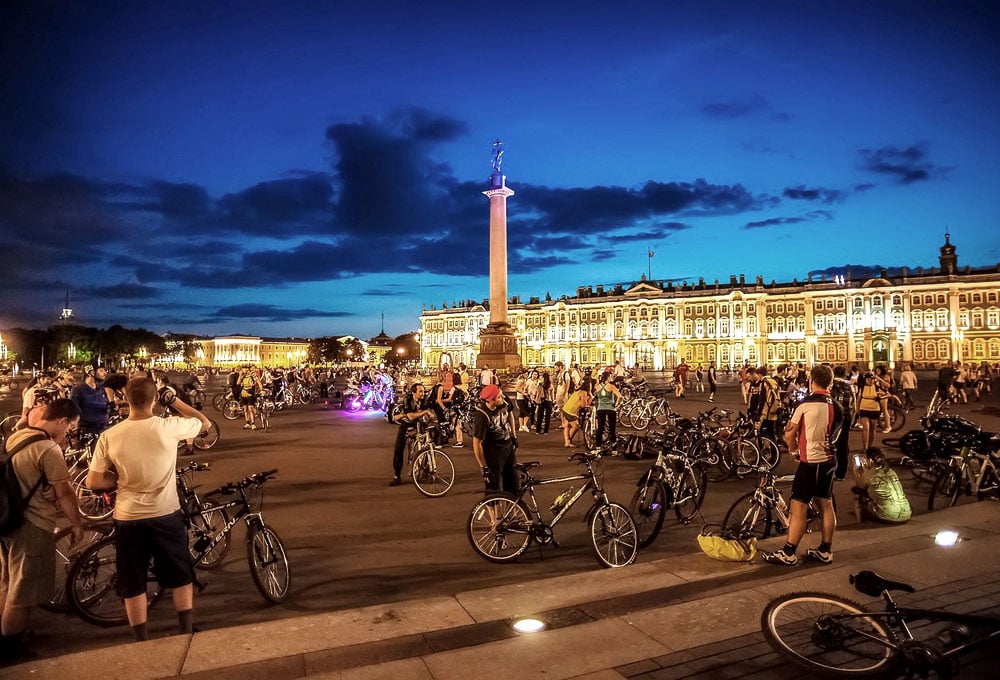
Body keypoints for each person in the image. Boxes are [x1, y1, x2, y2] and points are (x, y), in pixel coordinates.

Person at [86, 378, 211, 643]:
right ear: (154, 399)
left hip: (128, 517)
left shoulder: (109, 436)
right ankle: (185, 630)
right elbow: (205, 423)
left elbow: (94, 482)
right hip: (166, 513)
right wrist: (174, 401)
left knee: (133, 581)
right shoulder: (167, 427)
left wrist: (119, 480)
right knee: (180, 575)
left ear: (126, 398)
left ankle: (141, 639)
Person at [0, 399, 85, 662]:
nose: (69, 434)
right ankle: (11, 649)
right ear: (61, 421)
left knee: (7, 582)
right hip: (32, 525)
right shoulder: (47, 449)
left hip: (7, 521)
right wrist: (78, 523)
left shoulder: (18, 436)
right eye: (70, 428)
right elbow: (65, 493)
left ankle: (6, 632)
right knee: (23, 593)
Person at [761, 364, 844, 566]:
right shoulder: (837, 406)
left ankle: (789, 552)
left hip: (811, 461)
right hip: (829, 461)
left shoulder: (805, 404)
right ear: (830, 383)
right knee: (825, 503)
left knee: (798, 506)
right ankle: (825, 549)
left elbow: (789, 433)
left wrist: (793, 449)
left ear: (810, 380)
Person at [471, 384, 518, 493]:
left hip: (507, 446)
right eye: (499, 397)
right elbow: (477, 443)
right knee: (493, 485)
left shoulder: (504, 401)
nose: (502, 398)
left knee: (513, 483)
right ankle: (494, 510)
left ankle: (513, 509)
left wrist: (513, 436)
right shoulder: (482, 416)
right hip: (493, 451)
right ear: (491, 400)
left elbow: (510, 414)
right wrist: (483, 466)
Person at [389, 384, 434, 486]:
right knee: (398, 449)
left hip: (420, 424)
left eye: (423, 391)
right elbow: (410, 416)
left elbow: (429, 413)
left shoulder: (425, 399)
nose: (423, 393)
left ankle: (426, 471)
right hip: (406, 424)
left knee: (430, 446)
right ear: (414, 392)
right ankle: (397, 475)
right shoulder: (407, 400)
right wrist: (424, 412)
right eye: (420, 391)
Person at [851, 448, 911, 524]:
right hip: (906, 514)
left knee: (857, 496)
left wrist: (856, 469)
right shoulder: (891, 472)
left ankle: (860, 522)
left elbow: (859, 486)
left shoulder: (871, 475)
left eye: (865, 458)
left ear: (871, 460)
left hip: (888, 516)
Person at [828, 365, 856, 481]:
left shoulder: (830, 385)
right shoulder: (850, 386)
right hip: (845, 417)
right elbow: (853, 404)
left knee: (828, 442)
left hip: (832, 416)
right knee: (843, 445)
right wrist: (852, 419)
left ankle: (828, 470)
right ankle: (841, 474)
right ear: (845, 374)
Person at [70, 365, 110, 435]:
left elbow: (106, 404)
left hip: (104, 428)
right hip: (87, 430)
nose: (105, 372)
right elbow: (74, 409)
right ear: (91, 373)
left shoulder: (101, 387)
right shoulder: (78, 389)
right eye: (101, 370)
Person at [856, 368, 884, 450]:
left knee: (872, 429)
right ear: (865, 379)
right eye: (868, 379)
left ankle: (869, 446)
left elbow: (887, 393)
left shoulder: (877, 387)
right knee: (866, 428)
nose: (870, 381)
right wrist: (857, 410)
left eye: (872, 379)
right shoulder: (862, 387)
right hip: (864, 409)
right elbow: (859, 399)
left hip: (875, 409)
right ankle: (865, 447)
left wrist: (880, 397)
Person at [593, 371, 621, 448]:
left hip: (600, 408)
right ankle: (614, 449)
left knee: (600, 428)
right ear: (608, 378)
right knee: (612, 429)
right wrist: (616, 404)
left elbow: (595, 395)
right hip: (611, 408)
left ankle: (598, 447)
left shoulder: (597, 386)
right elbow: (619, 396)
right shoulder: (611, 386)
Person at [561, 384, 591, 448]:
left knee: (567, 426)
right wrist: (590, 398)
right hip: (570, 411)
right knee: (575, 426)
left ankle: (567, 442)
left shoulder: (578, 391)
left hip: (565, 408)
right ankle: (568, 441)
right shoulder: (584, 393)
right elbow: (584, 405)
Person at [237, 365, 261, 430]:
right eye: (243, 369)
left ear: (248, 369)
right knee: (245, 409)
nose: (244, 370)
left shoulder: (252, 374)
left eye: (245, 369)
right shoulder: (242, 375)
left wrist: (261, 390)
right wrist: (240, 376)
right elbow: (238, 383)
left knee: (251, 408)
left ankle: (253, 423)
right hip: (243, 393)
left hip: (250, 392)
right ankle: (247, 422)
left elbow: (258, 381)